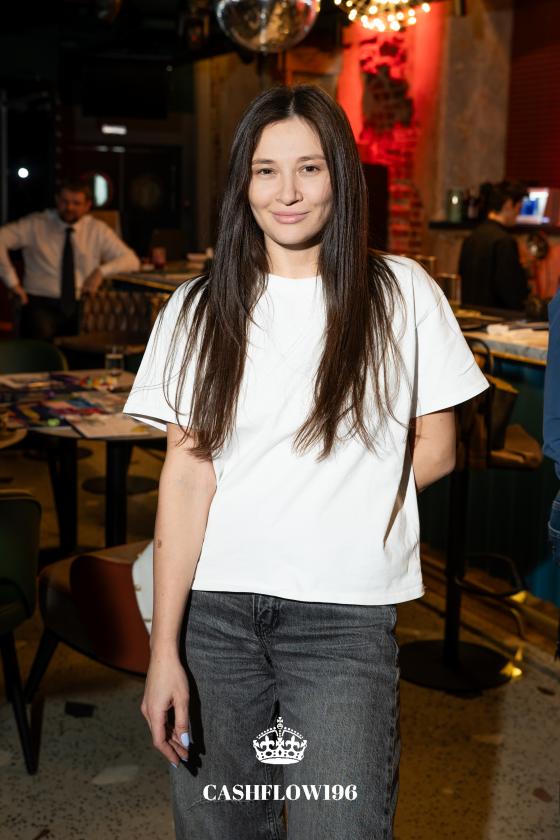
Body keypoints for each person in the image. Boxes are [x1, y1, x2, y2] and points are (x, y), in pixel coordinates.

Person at [123, 85, 489, 840]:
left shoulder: (401, 294)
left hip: (343, 620)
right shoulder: (197, 307)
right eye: (266, 170)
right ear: (243, 184)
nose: (286, 192)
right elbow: (186, 477)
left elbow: (439, 448)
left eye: (309, 168)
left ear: (341, 177)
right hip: (215, 615)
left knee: (341, 826)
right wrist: (164, 651)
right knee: (220, 829)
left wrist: (335, 506)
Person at [0, 177, 140, 339]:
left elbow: (132, 261)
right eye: (64, 201)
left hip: (82, 305)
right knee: (42, 353)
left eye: (76, 203)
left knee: (81, 353)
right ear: (57, 200)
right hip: (39, 304)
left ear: (87, 205)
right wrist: (12, 282)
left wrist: (100, 272)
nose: (69, 207)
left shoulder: (97, 229)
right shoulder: (36, 223)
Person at [458, 180, 530, 311]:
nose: (518, 214)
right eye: (519, 208)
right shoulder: (504, 241)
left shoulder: (472, 237)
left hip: (469, 313)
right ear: (508, 204)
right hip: (498, 316)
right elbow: (511, 291)